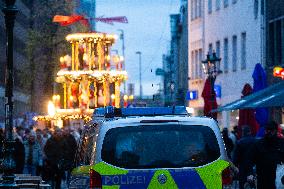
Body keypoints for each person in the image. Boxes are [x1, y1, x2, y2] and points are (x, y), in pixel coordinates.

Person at [248, 121, 284, 189]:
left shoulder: (282, 143)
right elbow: (250, 160)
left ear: (276, 130)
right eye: (267, 130)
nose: (269, 132)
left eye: (271, 130)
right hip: (263, 179)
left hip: (279, 179)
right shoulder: (258, 144)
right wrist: (250, 173)